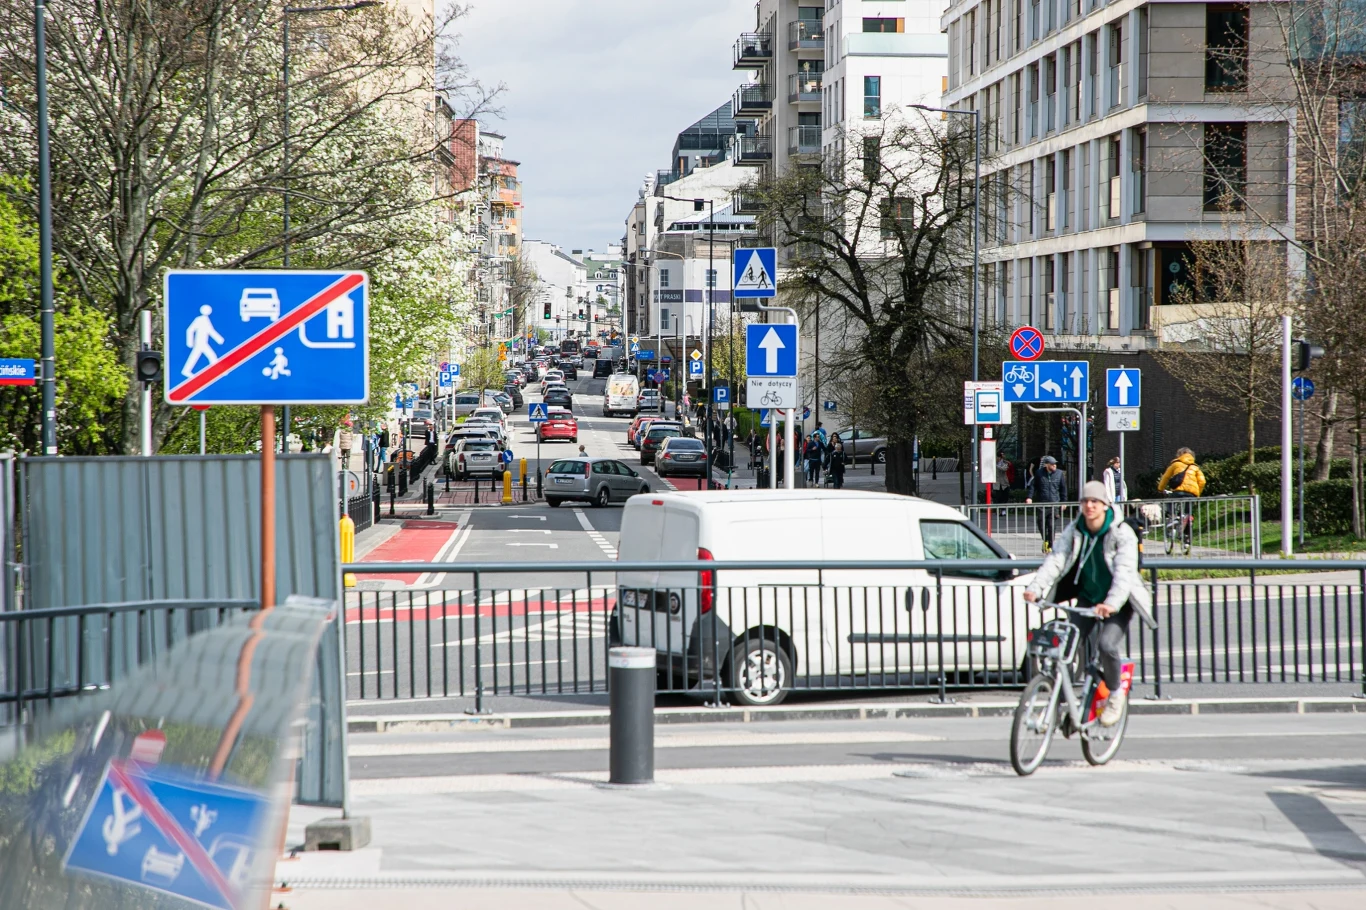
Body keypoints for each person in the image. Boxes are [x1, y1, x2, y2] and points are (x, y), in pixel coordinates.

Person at [1023, 480, 1156, 726]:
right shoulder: (1076, 529)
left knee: (1106, 645)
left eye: (1095, 501)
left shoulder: (1120, 533)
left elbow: (1124, 573)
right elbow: (1056, 560)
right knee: (1066, 646)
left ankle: (1115, 694)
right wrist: (1035, 587)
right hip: (1087, 597)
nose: (1089, 506)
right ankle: (1064, 705)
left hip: (1119, 602)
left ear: (1105, 505)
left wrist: (1112, 604)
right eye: (1085, 501)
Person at [1157, 447, 1207, 544]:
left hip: (1178, 492)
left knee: (1171, 502)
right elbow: (1202, 481)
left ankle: (1173, 517)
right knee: (1188, 514)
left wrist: (1160, 489)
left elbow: (1165, 477)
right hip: (1191, 494)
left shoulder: (1175, 464)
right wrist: (1197, 494)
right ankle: (1187, 536)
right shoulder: (1195, 467)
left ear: (1179, 455)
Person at [1025, 455, 1068, 552]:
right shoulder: (1039, 473)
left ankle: (1051, 545)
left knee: (1051, 525)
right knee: (1041, 523)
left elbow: (1063, 489)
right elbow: (1033, 486)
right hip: (1042, 503)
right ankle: (1045, 540)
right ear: (1047, 465)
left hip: (1054, 503)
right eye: (1052, 465)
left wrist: (1064, 502)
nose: (1054, 466)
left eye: (1055, 464)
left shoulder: (1059, 474)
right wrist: (1029, 497)